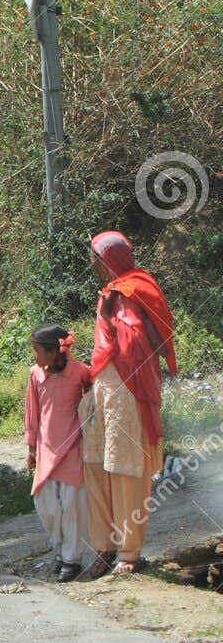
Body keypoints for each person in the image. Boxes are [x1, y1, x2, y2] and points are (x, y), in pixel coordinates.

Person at [82, 230, 178, 577]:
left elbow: (140, 342)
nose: (91, 263)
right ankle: (104, 546)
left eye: (94, 256)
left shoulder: (128, 291)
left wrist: (113, 316)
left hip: (126, 390)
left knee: (125, 470)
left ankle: (129, 552)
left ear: (108, 259)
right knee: (96, 467)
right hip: (105, 388)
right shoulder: (119, 289)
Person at [25, 325, 92, 582]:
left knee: (71, 505)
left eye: (37, 350)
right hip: (46, 449)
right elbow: (32, 412)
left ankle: (71, 560)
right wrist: (31, 447)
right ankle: (59, 549)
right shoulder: (35, 374)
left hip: (73, 447)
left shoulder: (79, 372)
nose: (34, 355)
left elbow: (92, 399)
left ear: (53, 352)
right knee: (46, 504)